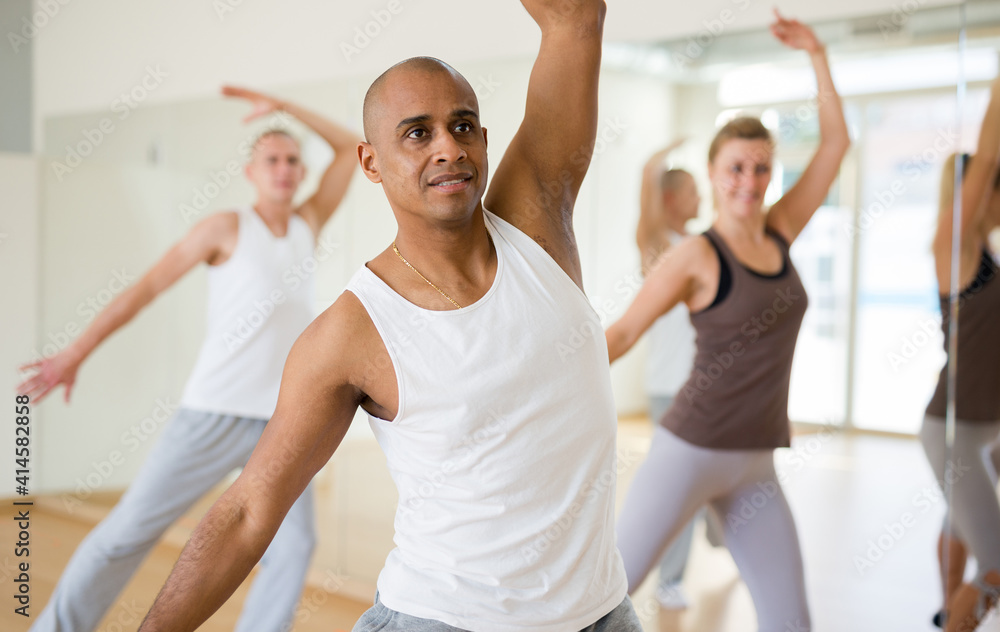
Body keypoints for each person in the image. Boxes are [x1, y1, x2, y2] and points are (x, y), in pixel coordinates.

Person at [134, 1, 640, 631]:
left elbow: (575, 18)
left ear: (485, 140)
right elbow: (249, 510)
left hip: (603, 614)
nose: (447, 148)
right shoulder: (350, 333)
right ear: (371, 162)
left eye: (462, 126)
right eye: (416, 132)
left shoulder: (538, 222)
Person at [16, 85, 360, 632]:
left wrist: (284, 106)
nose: (284, 168)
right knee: (127, 533)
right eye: (270, 159)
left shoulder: (307, 223)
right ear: (250, 171)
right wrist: (75, 353)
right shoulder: (224, 228)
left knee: (294, 547)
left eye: (293, 160)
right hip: (213, 413)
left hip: (284, 419)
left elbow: (350, 149)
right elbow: (147, 288)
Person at [605, 10, 849, 629]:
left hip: (755, 462)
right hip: (689, 448)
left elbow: (836, 146)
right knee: (603, 598)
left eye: (762, 167)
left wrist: (817, 54)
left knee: (791, 622)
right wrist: (536, 380)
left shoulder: (782, 230)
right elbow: (626, 332)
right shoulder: (696, 254)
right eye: (736, 167)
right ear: (713, 175)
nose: (750, 180)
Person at [920, 71, 1000, 632]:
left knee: (960, 522)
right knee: (998, 567)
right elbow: (989, 156)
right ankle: (960, 616)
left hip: (984, 431)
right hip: (955, 430)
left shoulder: (985, 257)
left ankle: (951, 608)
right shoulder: (954, 247)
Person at [636, 141, 704, 609]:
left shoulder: (703, 246)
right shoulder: (660, 246)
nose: (702, 198)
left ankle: (725, 537)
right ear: (673, 198)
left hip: (710, 387)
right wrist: (661, 155)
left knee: (718, 482)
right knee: (683, 487)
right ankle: (669, 579)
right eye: (694, 190)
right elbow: (647, 184)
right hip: (669, 388)